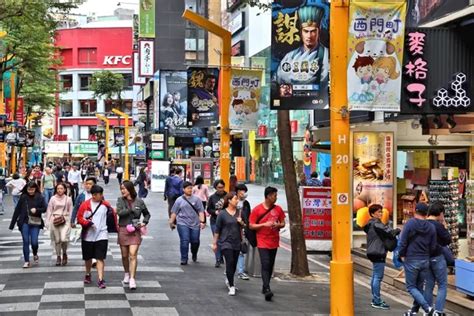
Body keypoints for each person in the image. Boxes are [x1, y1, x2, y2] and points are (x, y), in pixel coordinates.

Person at [408, 202, 452, 316]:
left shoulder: (423, 224)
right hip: (437, 257)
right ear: (441, 213)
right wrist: (444, 226)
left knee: (429, 285)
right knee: (442, 285)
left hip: (425, 258)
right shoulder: (438, 225)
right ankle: (438, 311)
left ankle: (428, 311)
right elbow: (448, 240)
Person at [275, 5, 328, 88]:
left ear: (319, 31)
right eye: (306, 31)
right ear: (301, 32)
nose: (309, 36)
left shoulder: (326, 54)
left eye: (313, 31)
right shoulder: (290, 56)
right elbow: (277, 80)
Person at [399, 203, 437, 316]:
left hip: (411, 258)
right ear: (427, 214)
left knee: (411, 287)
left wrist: (401, 254)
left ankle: (428, 309)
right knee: (419, 287)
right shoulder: (431, 227)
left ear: (415, 211)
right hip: (425, 259)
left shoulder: (410, 223)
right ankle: (414, 311)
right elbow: (433, 246)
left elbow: (403, 241)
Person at [249, 186, 286, 301]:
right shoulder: (257, 209)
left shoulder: (278, 209)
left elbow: (283, 223)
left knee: (270, 265)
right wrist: (263, 225)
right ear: (268, 196)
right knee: (265, 263)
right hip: (262, 240)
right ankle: (267, 288)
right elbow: (251, 225)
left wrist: (278, 225)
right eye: (274, 195)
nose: (276, 198)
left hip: (274, 240)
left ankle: (265, 285)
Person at [77, 185, 116, 289]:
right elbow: (79, 218)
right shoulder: (85, 205)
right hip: (88, 235)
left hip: (102, 234)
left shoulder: (105, 205)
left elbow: (112, 216)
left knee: (100, 257)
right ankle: (88, 273)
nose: (97, 196)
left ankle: (100, 279)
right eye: (95, 194)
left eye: (99, 194)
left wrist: (114, 227)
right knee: (88, 258)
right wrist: (87, 223)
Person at [363, 204, 401, 310]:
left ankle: (375, 299)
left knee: (375, 276)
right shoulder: (377, 224)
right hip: (378, 252)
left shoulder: (369, 224)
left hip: (372, 251)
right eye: (379, 212)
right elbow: (390, 233)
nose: (381, 213)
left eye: (381, 211)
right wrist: (398, 230)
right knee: (378, 277)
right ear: (372, 213)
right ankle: (377, 300)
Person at [116, 180, 150, 289]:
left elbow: (147, 214)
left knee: (133, 254)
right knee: (124, 255)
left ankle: (132, 278)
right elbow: (120, 212)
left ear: (130, 189)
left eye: (124, 189)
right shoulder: (120, 200)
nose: (122, 191)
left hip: (135, 230)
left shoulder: (139, 201)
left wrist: (144, 222)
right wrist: (130, 209)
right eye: (121, 189)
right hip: (123, 229)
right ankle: (126, 273)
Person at [212, 192, 245, 296]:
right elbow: (217, 230)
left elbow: (245, 225)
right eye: (235, 199)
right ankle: (231, 286)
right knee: (230, 262)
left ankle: (229, 277)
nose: (237, 200)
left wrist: (242, 223)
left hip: (237, 242)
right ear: (229, 200)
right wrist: (214, 243)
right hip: (225, 242)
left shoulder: (239, 212)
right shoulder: (222, 214)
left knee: (233, 264)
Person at [9, 181, 47, 268]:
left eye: (32, 189)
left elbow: (45, 208)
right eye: (29, 189)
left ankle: (35, 253)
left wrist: (37, 210)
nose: (30, 191)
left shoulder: (40, 196)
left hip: (35, 222)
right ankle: (26, 261)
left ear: (35, 189)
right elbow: (17, 210)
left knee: (34, 242)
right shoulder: (23, 197)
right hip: (24, 222)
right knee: (25, 241)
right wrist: (12, 224)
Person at [168, 181, 206, 265]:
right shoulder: (179, 200)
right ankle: (184, 258)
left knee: (195, 241)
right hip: (182, 223)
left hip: (195, 224)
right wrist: (171, 222)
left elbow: (201, 211)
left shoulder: (197, 199)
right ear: (183, 189)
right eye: (188, 188)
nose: (190, 190)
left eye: (191, 188)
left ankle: (194, 253)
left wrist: (202, 221)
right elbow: (174, 212)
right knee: (184, 240)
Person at [45, 183, 73, 266]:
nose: (60, 190)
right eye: (58, 189)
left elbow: (70, 210)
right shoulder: (53, 198)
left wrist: (71, 221)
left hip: (65, 219)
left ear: (65, 189)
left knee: (64, 238)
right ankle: (58, 256)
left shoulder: (68, 199)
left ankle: (64, 253)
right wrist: (47, 221)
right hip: (55, 220)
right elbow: (49, 210)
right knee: (57, 240)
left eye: (61, 188)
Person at [207, 179, 227, 267]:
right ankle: (218, 259)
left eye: (222, 187)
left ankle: (222, 254)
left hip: (226, 222)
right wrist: (215, 212)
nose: (221, 189)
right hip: (215, 221)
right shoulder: (212, 197)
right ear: (215, 188)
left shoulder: (228, 196)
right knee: (217, 240)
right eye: (219, 187)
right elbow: (208, 209)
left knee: (224, 240)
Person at [236, 184, 251, 280]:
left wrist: (246, 226)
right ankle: (231, 269)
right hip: (232, 229)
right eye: (241, 191)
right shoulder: (233, 201)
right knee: (232, 250)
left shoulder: (246, 203)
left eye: (244, 191)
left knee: (241, 250)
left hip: (242, 229)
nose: (243, 193)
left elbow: (248, 216)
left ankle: (240, 271)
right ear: (237, 191)